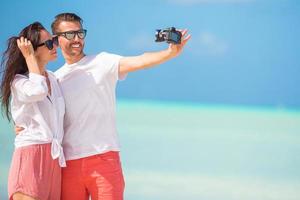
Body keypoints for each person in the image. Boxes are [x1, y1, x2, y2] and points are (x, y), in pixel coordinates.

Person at [0, 22, 66, 200]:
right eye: (49, 43)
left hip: (53, 159)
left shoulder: (53, 78)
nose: (55, 46)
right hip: (31, 154)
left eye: (54, 40)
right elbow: (37, 91)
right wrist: (29, 57)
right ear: (32, 50)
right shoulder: (19, 81)